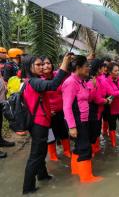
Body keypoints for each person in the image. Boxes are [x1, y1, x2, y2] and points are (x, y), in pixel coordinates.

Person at [22, 54, 71, 194]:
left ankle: (42, 175)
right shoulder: (34, 81)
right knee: (36, 155)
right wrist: (64, 62)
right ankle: (28, 188)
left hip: (39, 122)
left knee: (41, 151)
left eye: (42, 64)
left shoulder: (32, 80)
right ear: (29, 67)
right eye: (38, 65)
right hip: (38, 123)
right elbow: (54, 84)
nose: (42, 67)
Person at [62, 55, 103, 184]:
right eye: (86, 66)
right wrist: (72, 126)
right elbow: (67, 106)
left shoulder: (82, 81)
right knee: (85, 147)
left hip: (83, 119)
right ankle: (86, 178)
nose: (88, 69)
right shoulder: (70, 82)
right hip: (77, 120)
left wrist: (94, 86)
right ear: (78, 68)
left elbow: (87, 98)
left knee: (79, 146)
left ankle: (76, 171)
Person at [41, 56, 71, 161]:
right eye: (43, 64)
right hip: (48, 114)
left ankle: (67, 151)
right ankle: (53, 154)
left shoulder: (57, 75)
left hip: (61, 111)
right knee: (50, 135)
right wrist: (47, 111)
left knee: (63, 132)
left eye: (48, 63)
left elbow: (67, 71)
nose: (46, 65)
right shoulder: (39, 80)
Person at [86, 59, 112, 156]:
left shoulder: (99, 78)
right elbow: (95, 99)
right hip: (94, 110)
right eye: (102, 67)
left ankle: (96, 150)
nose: (104, 69)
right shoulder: (91, 81)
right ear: (98, 69)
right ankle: (93, 152)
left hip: (98, 110)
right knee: (93, 133)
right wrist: (106, 100)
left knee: (96, 132)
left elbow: (103, 92)